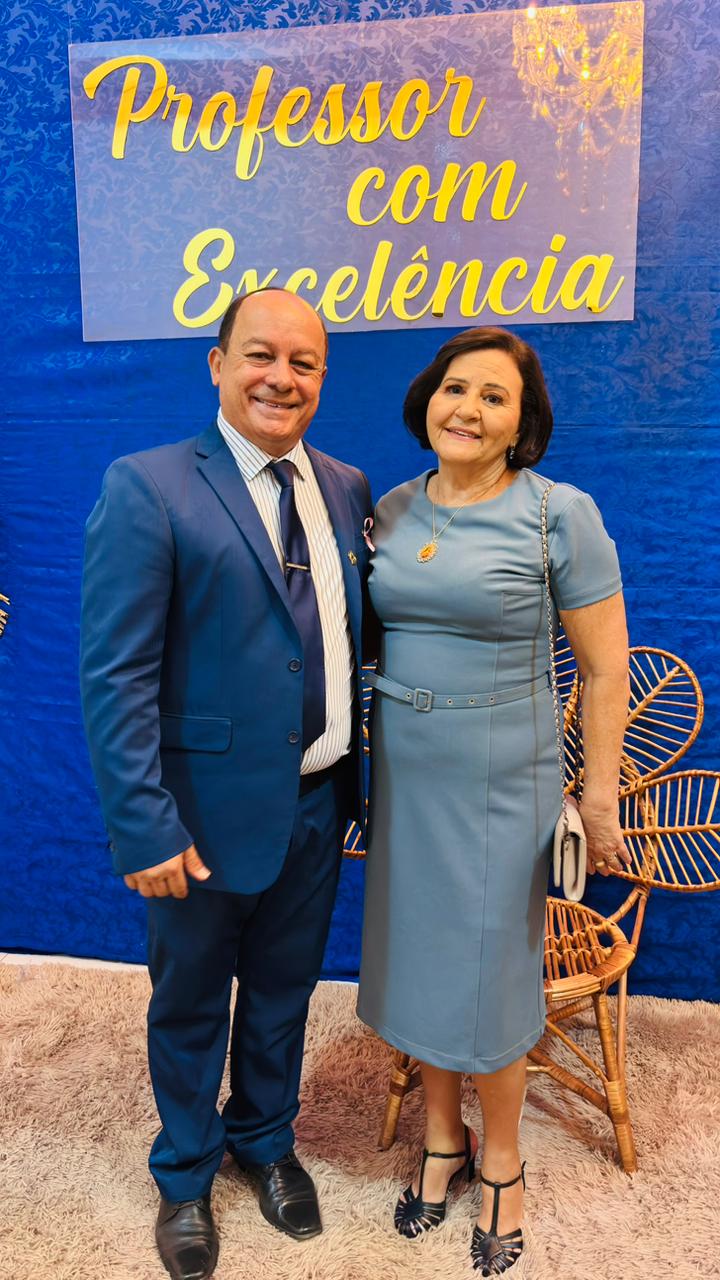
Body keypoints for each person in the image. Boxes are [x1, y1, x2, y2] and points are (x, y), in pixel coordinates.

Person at [80, 288, 372, 1280]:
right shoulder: (149, 484)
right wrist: (143, 823)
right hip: (197, 814)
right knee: (192, 999)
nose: (281, 377)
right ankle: (185, 1171)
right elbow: (116, 673)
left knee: (286, 990)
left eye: (304, 362)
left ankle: (264, 1141)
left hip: (318, 801)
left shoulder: (346, 486)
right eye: (260, 354)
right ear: (217, 363)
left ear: (322, 378)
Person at [357, 326, 630, 1276]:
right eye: (454, 388)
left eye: (493, 396)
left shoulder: (559, 514)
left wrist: (601, 795)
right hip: (405, 770)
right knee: (421, 958)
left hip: (502, 774)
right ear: (427, 400)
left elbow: (606, 671)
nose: (467, 408)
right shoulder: (390, 510)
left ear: (523, 424)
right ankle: (444, 1143)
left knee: (491, 969)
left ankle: (504, 1161)